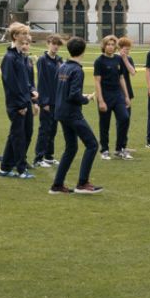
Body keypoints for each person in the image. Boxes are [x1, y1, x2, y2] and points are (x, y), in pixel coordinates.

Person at [48, 36, 104, 194]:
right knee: (92, 145)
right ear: (83, 51)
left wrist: (80, 95)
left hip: (60, 111)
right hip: (72, 113)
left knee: (71, 148)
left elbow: (61, 89)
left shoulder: (63, 66)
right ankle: (82, 183)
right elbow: (73, 95)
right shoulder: (77, 70)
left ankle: (57, 185)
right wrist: (85, 98)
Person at [0, 23, 37, 179]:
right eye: (23, 34)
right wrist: (20, 104)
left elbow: (25, 81)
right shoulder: (9, 58)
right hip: (17, 104)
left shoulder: (21, 56)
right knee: (18, 136)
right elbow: (11, 83)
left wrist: (32, 95)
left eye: (27, 33)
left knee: (23, 134)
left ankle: (5, 168)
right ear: (15, 36)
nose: (27, 37)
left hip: (25, 101)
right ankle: (21, 169)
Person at [93, 35, 132, 160]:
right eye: (108, 44)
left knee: (125, 118)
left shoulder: (118, 59)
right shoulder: (99, 61)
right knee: (105, 124)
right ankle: (104, 150)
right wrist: (101, 100)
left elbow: (121, 78)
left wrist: (126, 96)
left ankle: (119, 149)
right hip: (105, 95)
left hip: (118, 95)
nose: (110, 47)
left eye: (112, 44)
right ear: (104, 46)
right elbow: (97, 82)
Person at [34, 33, 64, 168]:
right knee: (44, 129)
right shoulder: (42, 60)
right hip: (47, 100)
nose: (55, 46)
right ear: (48, 44)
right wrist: (43, 102)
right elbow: (42, 82)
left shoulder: (59, 60)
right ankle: (39, 158)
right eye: (53, 43)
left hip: (57, 101)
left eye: (58, 44)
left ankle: (49, 156)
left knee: (53, 129)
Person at [116, 36, 139, 157]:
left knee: (126, 119)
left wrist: (125, 59)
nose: (127, 52)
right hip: (117, 93)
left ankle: (123, 145)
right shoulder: (114, 59)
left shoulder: (128, 58)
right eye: (125, 49)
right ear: (119, 48)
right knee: (121, 119)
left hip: (128, 92)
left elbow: (133, 72)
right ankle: (119, 147)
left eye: (128, 49)